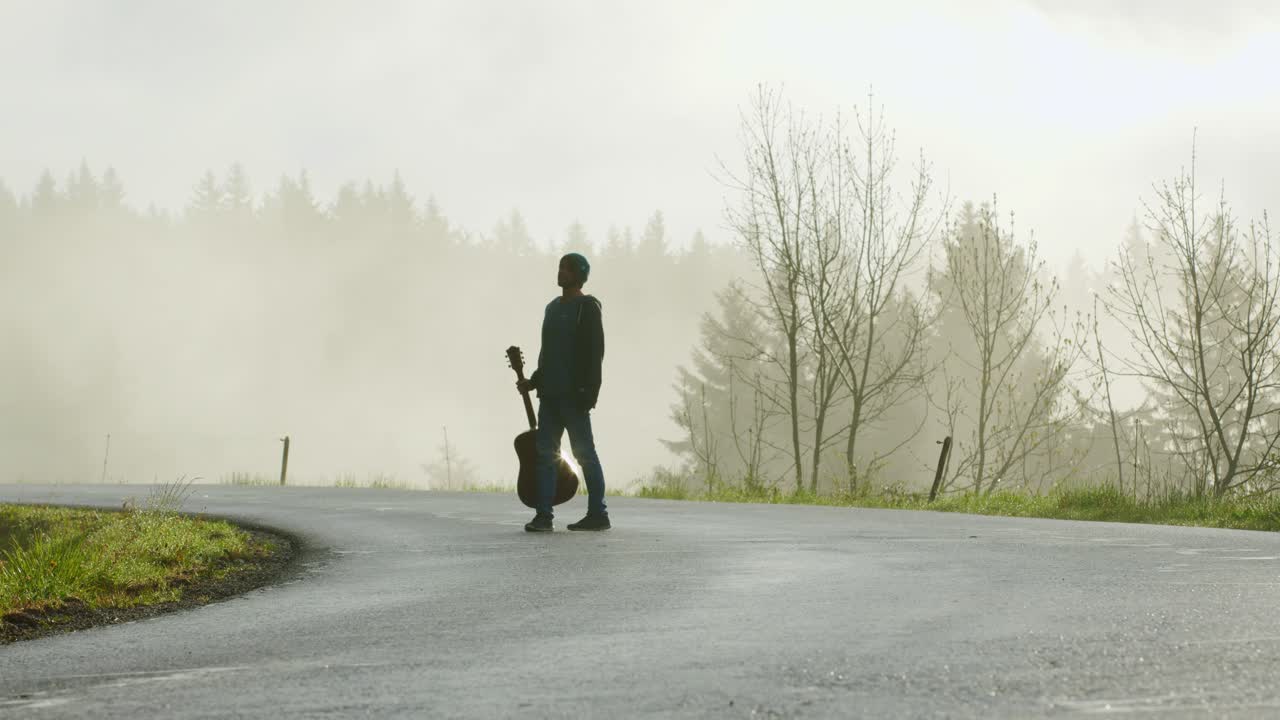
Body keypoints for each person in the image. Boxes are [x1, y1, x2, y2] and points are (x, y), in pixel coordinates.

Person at [515, 252, 610, 532]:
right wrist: (534, 381)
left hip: (574, 397)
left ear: (579, 275)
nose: (560, 273)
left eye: (566, 269)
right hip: (550, 396)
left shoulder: (587, 307)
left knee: (585, 455)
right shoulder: (552, 308)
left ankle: (598, 514)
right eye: (560, 268)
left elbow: (595, 354)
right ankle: (544, 516)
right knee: (546, 456)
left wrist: (589, 393)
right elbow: (549, 353)